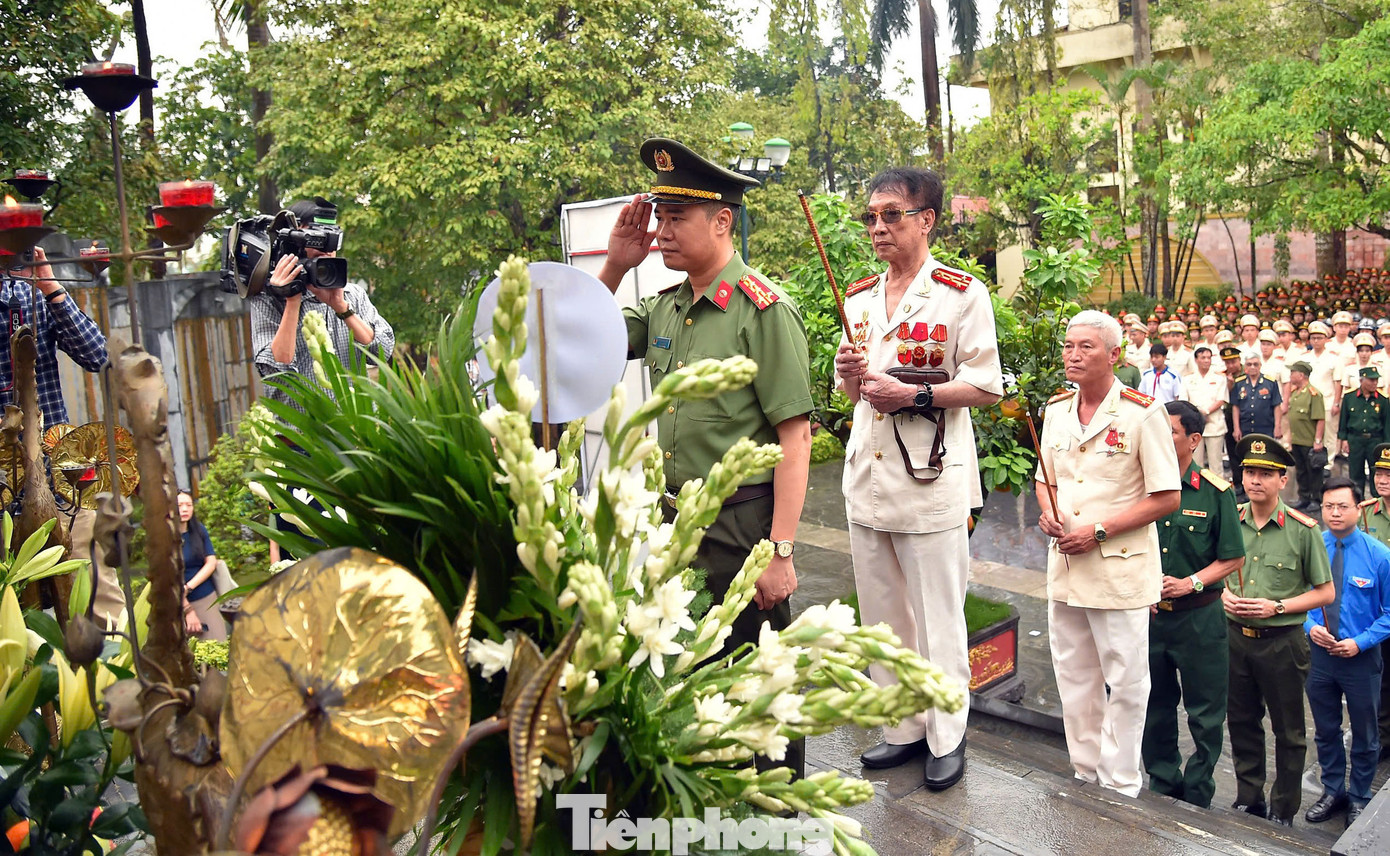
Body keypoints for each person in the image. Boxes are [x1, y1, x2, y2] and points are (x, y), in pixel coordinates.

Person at [598, 138, 813, 777]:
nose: (660, 232)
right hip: (675, 533)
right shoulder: (664, 307)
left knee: (759, 688)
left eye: (676, 219)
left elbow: (794, 439)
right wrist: (614, 266)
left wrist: (780, 552)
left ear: (722, 221)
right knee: (689, 683)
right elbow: (584, 339)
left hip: (740, 532)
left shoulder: (761, 311)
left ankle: (778, 818)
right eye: (658, 217)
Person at [834, 166, 1002, 791]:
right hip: (867, 478)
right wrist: (853, 374)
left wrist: (913, 394)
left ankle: (946, 735)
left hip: (930, 478)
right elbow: (848, 390)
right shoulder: (857, 297)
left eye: (891, 215)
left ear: (926, 220)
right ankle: (901, 728)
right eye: (871, 217)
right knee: (883, 616)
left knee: (938, 615)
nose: (877, 227)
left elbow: (986, 386)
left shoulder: (961, 295)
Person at [1036, 310, 1181, 797]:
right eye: (1068, 345)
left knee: (1126, 679)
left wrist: (1097, 531)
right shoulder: (1055, 409)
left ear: (1114, 355)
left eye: (1086, 347)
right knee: (1073, 673)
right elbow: (1045, 480)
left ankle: (1120, 781)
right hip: (1067, 565)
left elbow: (1166, 496)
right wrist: (1049, 515)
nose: (1073, 355)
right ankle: (1085, 770)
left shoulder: (1142, 413)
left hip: (1118, 568)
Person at [0, 247, 125, 629]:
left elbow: (99, 355)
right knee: (15, 608)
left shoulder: (32, 296)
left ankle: (116, 675)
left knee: (98, 591)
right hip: (3, 482)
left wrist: (51, 284)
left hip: (60, 472)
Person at [1224, 434, 1333, 826]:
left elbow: (1325, 591)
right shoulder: (1231, 520)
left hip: (1282, 643)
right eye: (1250, 472)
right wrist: (1222, 595)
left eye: (1266, 474)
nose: (1256, 480)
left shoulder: (1302, 531)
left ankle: (1283, 809)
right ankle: (1247, 796)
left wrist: (1279, 606)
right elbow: (1216, 570)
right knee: (1240, 721)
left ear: (1282, 480)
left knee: (1289, 731)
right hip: (1236, 639)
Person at [1142, 401, 1245, 808]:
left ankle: (1199, 790)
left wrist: (1191, 582)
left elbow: (1232, 557)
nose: (1161, 440)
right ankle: (1163, 782)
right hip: (1151, 619)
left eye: (1170, 432)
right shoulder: (1142, 486)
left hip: (1200, 620)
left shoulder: (1215, 492)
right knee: (1154, 706)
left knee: (1205, 714)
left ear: (1194, 439)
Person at [249, 197, 396, 415]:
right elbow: (276, 370)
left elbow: (384, 350)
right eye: (315, 239)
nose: (326, 248)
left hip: (357, 428)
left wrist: (342, 308)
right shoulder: (267, 299)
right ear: (292, 244)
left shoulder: (351, 294)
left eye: (331, 239)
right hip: (302, 438)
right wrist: (292, 299)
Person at [1303, 477, 1390, 830]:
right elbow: (1300, 596)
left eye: (1342, 506)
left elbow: (1388, 612)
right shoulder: (1314, 547)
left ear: (1359, 508)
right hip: (1320, 656)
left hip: (1361, 658)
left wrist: (1361, 642)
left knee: (1367, 734)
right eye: (1328, 506)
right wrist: (1311, 627)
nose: (1335, 513)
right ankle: (1333, 789)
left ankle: (1359, 796)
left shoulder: (1379, 556)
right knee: (1325, 729)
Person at [1357, 443, 1390, 761]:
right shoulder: (1364, 512)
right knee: (1379, 679)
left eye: (1388, 474)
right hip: (1375, 611)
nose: (1382, 479)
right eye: (1379, 473)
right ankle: (1380, 734)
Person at [176, 490, 227, 642]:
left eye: (189, 505)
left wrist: (188, 588)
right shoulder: (165, 538)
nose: (185, 509)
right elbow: (167, 577)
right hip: (177, 603)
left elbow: (210, 562)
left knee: (218, 645)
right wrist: (187, 609)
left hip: (205, 597)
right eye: (179, 505)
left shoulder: (198, 530)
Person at [1338, 366, 1390, 497]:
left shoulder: (1383, 400)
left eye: (1376, 380)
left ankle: (1377, 502)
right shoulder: (1350, 397)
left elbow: (1387, 424)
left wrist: (1387, 446)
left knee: (1376, 472)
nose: (1375, 383)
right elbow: (1344, 419)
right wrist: (1343, 439)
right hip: (1355, 439)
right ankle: (1358, 502)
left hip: (1375, 440)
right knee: (1355, 474)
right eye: (1371, 380)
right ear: (1362, 380)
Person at [1285, 361, 1327, 512]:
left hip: (1309, 440)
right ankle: (1303, 497)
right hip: (1298, 440)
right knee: (1301, 471)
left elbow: (1320, 418)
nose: (1290, 376)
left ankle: (1316, 499)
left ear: (1301, 375)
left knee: (1314, 472)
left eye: (1292, 372)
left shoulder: (1313, 394)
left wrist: (1317, 440)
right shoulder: (1296, 393)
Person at [1182, 345, 1227, 469]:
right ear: (1196, 360)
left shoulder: (1219, 378)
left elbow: (1221, 399)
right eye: (1203, 357)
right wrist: (1198, 414)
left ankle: (1218, 489)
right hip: (1194, 425)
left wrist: (1205, 412)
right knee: (1196, 464)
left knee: (1216, 463)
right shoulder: (1187, 379)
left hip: (1214, 424)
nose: (1207, 360)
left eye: (1209, 357)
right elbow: (1184, 401)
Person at [1232, 353, 1282, 442]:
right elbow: (1236, 407)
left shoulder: (1270, 382)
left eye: (1255, 364)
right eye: (1249, 364)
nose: (1252, 367)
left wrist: (1277, 427)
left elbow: (1277, 406)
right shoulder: (1239, 383)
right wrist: (1236, 428)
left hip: (1266, 429)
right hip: (1245, 429)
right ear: (1245, 367)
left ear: (1260, 365)